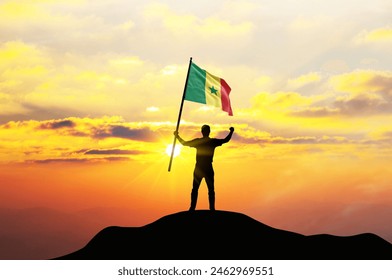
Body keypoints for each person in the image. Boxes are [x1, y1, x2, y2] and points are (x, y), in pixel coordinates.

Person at [174, 125, 234, 211]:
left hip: (201, 167)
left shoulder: (202, 142)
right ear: (208, 131)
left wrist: (177, 136)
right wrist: (231, 132)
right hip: (204, 167)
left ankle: (196, 208)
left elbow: (184, 143)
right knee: (205, 189)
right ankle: (205, 208)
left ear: (202, 132)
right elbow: (226, 140)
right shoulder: (211, 142)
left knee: (200, 189)